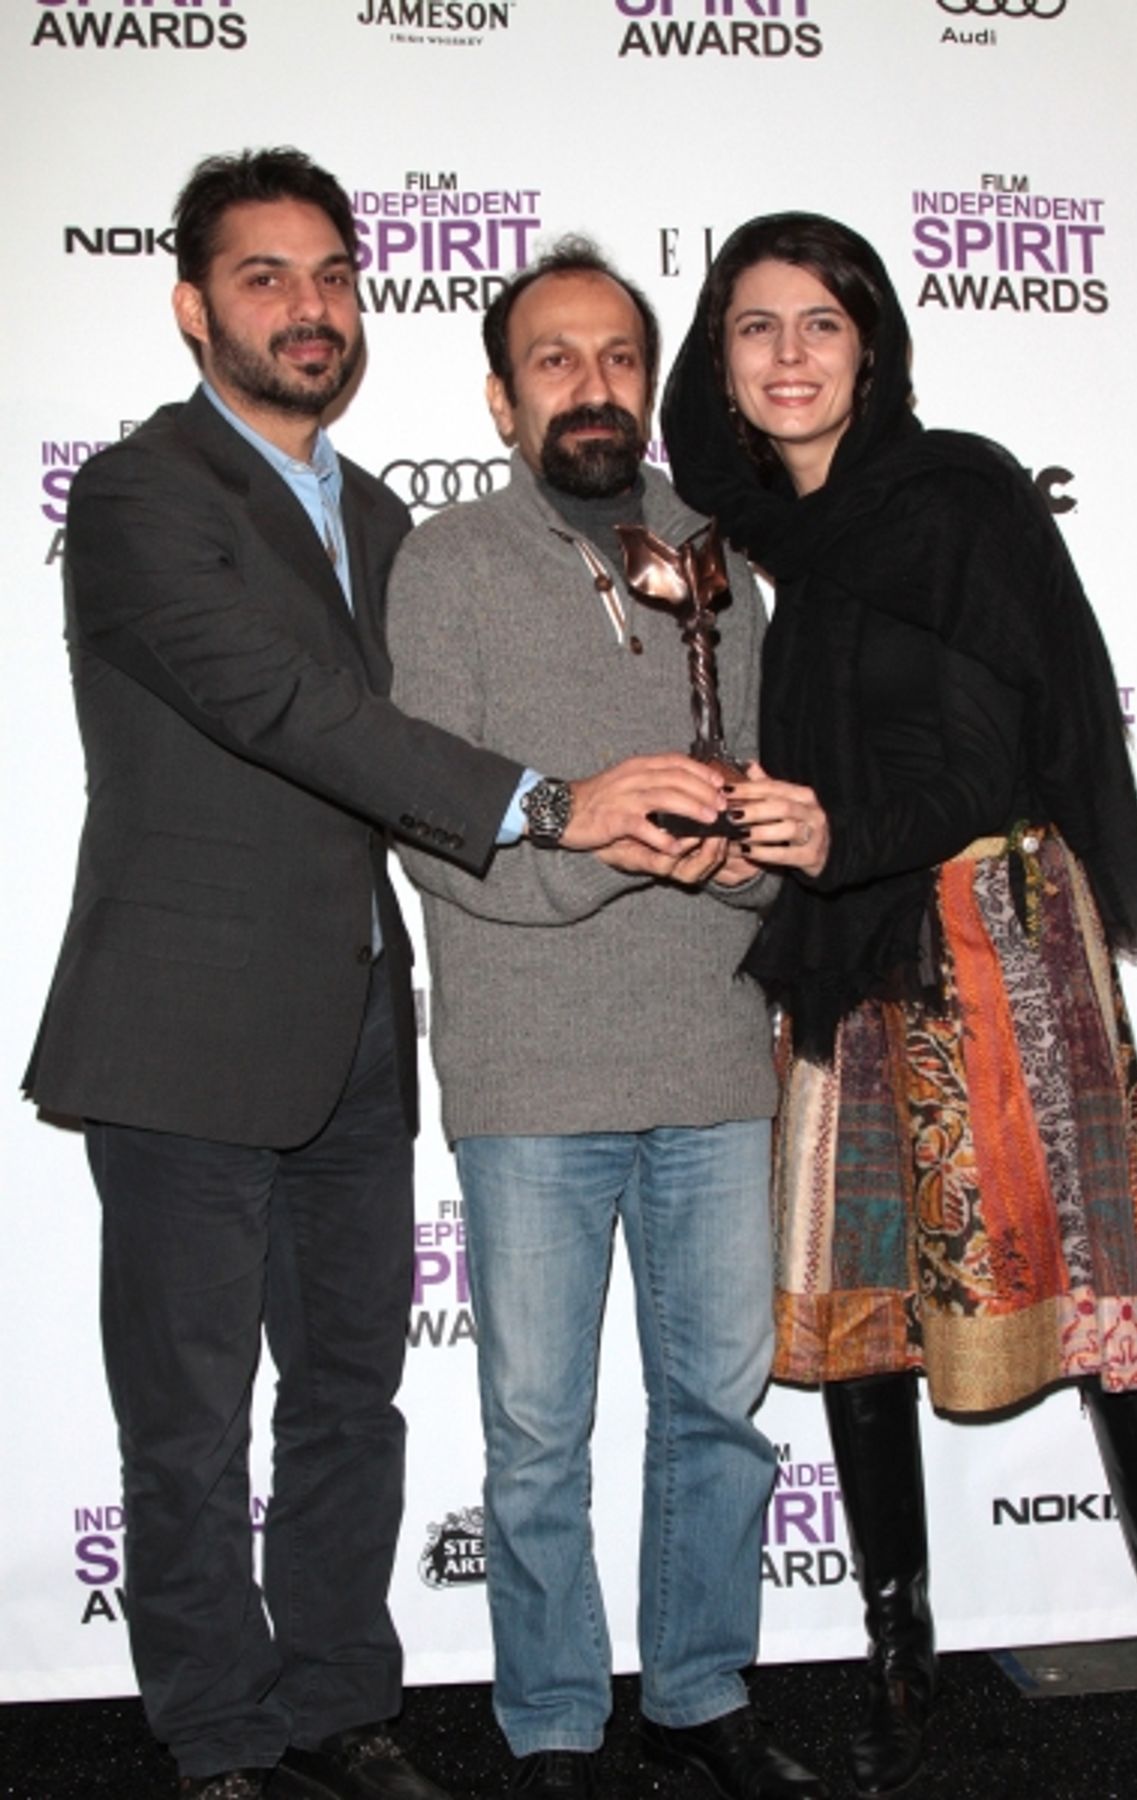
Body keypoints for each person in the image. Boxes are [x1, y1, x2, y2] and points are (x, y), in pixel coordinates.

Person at [22, 151, 731, 1800]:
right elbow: (288, 712)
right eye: (264, 277)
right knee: (190, 1423)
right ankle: (217, 1734)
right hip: (182, 1031)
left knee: (351, 1395)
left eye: (332, 274)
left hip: (354, 1024)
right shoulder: (140, 495)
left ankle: (341, 1697)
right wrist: (557, 805)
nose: (309, 306)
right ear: (194, 307)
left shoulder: (389, 518)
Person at [661, 211, 1137, 1800]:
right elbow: (692, 443)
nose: (787, 356)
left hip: (989, 935)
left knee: (1097, 1308)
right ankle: (901, 1666)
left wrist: (846, 833)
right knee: (867, 1302)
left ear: (873, 342)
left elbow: (991, 750)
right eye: (752, 326)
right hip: (847, 944)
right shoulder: (769, 541)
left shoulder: (955, 499)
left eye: (820, 323)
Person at [386, 239, 828, 1800]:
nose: (594, 386)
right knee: (535, 1436)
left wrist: (719, 863)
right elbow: (441, 833)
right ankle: (555, 1723)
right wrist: (601, 844)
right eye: (557, 361)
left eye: (620, 358)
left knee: (720, 1414)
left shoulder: (721, 556)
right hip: (530, 1070)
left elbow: (770, 807)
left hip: (713, 1053)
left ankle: (700, 1695)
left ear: (654, 384)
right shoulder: (445, 566)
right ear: (503, 398)